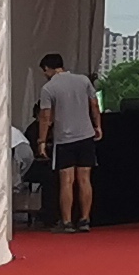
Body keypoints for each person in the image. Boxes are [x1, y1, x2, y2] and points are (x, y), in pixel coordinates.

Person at [34, 51, 104, 232]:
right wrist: (98, 126)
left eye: (44, 71)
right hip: (86, 135)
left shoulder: (48, 88)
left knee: (67, 181)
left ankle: (67, 222)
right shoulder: (83, 80)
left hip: (64, 139)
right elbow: (94, 105)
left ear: (48, 68)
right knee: (85, 179)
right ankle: (85, 219)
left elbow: (45, 116)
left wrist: (42, 141)